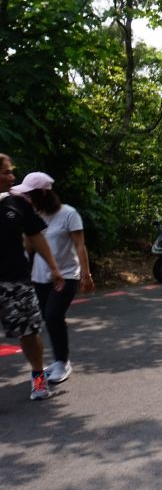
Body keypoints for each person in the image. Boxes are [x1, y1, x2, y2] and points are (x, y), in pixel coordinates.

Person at [20, 172, 94, 385]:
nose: (27, 198)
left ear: (42, 192)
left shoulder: (69, 213)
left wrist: (86, 275)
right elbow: (29, 246)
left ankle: (62, 362)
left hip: (67, 275)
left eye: (29, 194)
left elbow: (80, 245)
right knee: (49, 318)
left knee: (53, 316)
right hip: (39, 276)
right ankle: (57, 360)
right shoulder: (34, 216)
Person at [0, 155, 64, 401]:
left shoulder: (17, 204)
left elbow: (36, 237)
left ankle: (38, 379)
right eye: (7, 172)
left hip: (15, 280)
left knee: (29, 331)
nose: (12, 177)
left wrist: (54, 268)